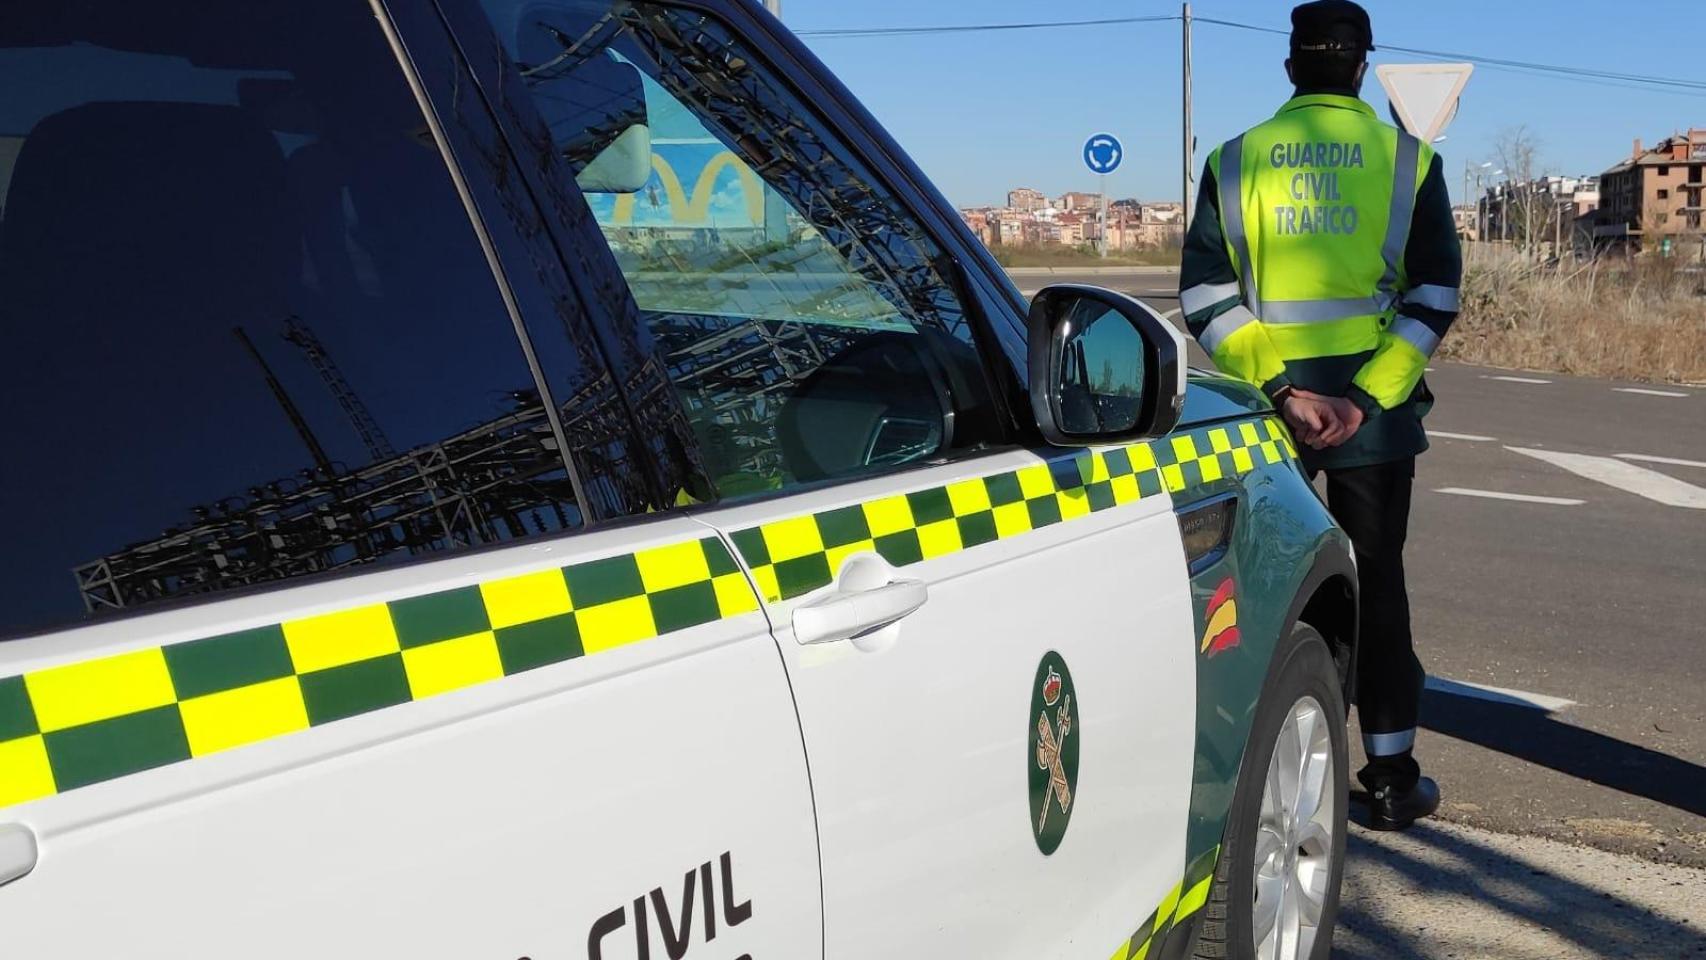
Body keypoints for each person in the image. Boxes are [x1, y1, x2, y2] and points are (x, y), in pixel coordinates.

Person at [1179, 0, 1461, 830]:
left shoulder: (1235, 160)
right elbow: (1434, 295)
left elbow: (1205, 294)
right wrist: (1364, 398)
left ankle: (1256, 775)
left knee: (1265, 589)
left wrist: (1281, 391)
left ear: (1291, 66)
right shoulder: (1408, 161)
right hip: (1372, 421)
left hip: (1272, 417)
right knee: (1377, 583)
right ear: (1362, 68)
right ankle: (1390, 776)